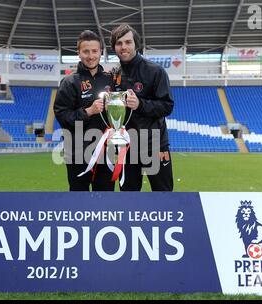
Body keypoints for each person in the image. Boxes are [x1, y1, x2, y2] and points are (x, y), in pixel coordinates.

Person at [110, 24, 174, 191]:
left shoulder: (155, 71)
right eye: (119, 43)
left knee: (163, 195)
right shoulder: (113, 74)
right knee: (128, 198)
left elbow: (167, 106)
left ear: (135, 44)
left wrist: (140, 104)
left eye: (128, 42)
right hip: (126, 146)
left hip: (155, 144)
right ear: (114, 48)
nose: (123, 47)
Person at [54, 30, 115, 191]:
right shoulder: (69, 82)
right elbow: (62, 116)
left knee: (105, 202)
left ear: (101, 51)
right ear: (79, 53)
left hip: (106, 153)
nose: (91, 56)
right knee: (78, 201)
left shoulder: (112, 80)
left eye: (95, 51)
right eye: (86, 51)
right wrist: (88, 111)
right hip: (77, 154)